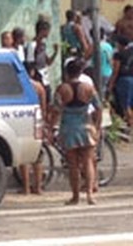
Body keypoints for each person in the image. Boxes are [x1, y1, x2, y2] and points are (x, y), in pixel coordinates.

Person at [50, 59, 101, 206]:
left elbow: (55, 111)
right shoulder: (88, 88)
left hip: (69, 128)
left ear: (67, 73)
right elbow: (98, 108)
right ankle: (90, 194)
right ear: (80, 72)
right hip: (86, 126)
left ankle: (76, 196)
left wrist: (51, 127)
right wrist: (96, 126)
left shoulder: (62, 89)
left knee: (72, 164)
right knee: (88, 161)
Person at [20, 62, 47, 195]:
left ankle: (26, 188)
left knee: (24, 157)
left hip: (22, 120)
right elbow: (43, 107)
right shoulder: (38, 87)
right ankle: (38, 187)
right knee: (38, 156)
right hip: (36, 119)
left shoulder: (19, 86)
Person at [108, 36, 133, 126]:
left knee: (125, 105)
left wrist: (111, 84)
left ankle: (131, 125)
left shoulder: (119, 54)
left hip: (124, 80)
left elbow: (116, 70)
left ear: (119, 44)